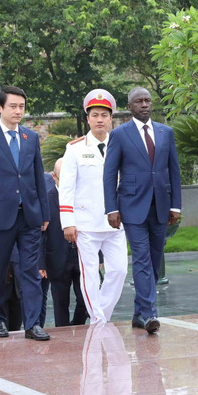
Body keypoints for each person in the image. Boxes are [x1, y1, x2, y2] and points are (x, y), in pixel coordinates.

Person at [0, 85, 51, 341]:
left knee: (30, 270)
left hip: (29, 215)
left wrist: (44, 213)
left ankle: (33, 324)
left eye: (21, 107)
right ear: (0, 107)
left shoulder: (30, 137)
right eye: (13, 106)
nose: (18, 111)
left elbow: (38, 177)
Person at [104, 87, 181, 334]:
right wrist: (111, 208)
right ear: (130, 106)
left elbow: (174, 171)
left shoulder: (165, 132)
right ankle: (149, 314)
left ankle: (139, 313)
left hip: (160, 206)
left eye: (148, 101)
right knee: (141, 259)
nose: (145, 105)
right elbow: (109, 173)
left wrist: (175, 205)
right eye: (139, 101)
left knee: (155, 259)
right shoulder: (120, 134)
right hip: (132, 207)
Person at [59, 89, 128, 324]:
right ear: (87, 118)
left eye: (104, 115)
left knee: (119, 271)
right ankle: (98, 320)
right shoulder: (75, 149)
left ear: (111, 119)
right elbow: (66, 188)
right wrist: (68, 223)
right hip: (86, 223)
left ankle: (101, 315)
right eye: (95, 114)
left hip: (115, 222)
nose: (100, 119)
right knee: (89, 274)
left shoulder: (121, 146)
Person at [39, 158, 87, 327]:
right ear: (54, 177)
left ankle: (77, 324)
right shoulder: (45, 200)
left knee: (86, 300)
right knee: (60, 304)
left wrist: (100, 258)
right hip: (57, 258)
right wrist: (41, 262)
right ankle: (63, 341)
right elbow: (41, 234)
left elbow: (94, 226)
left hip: (82, 255)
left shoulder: (82, 196)